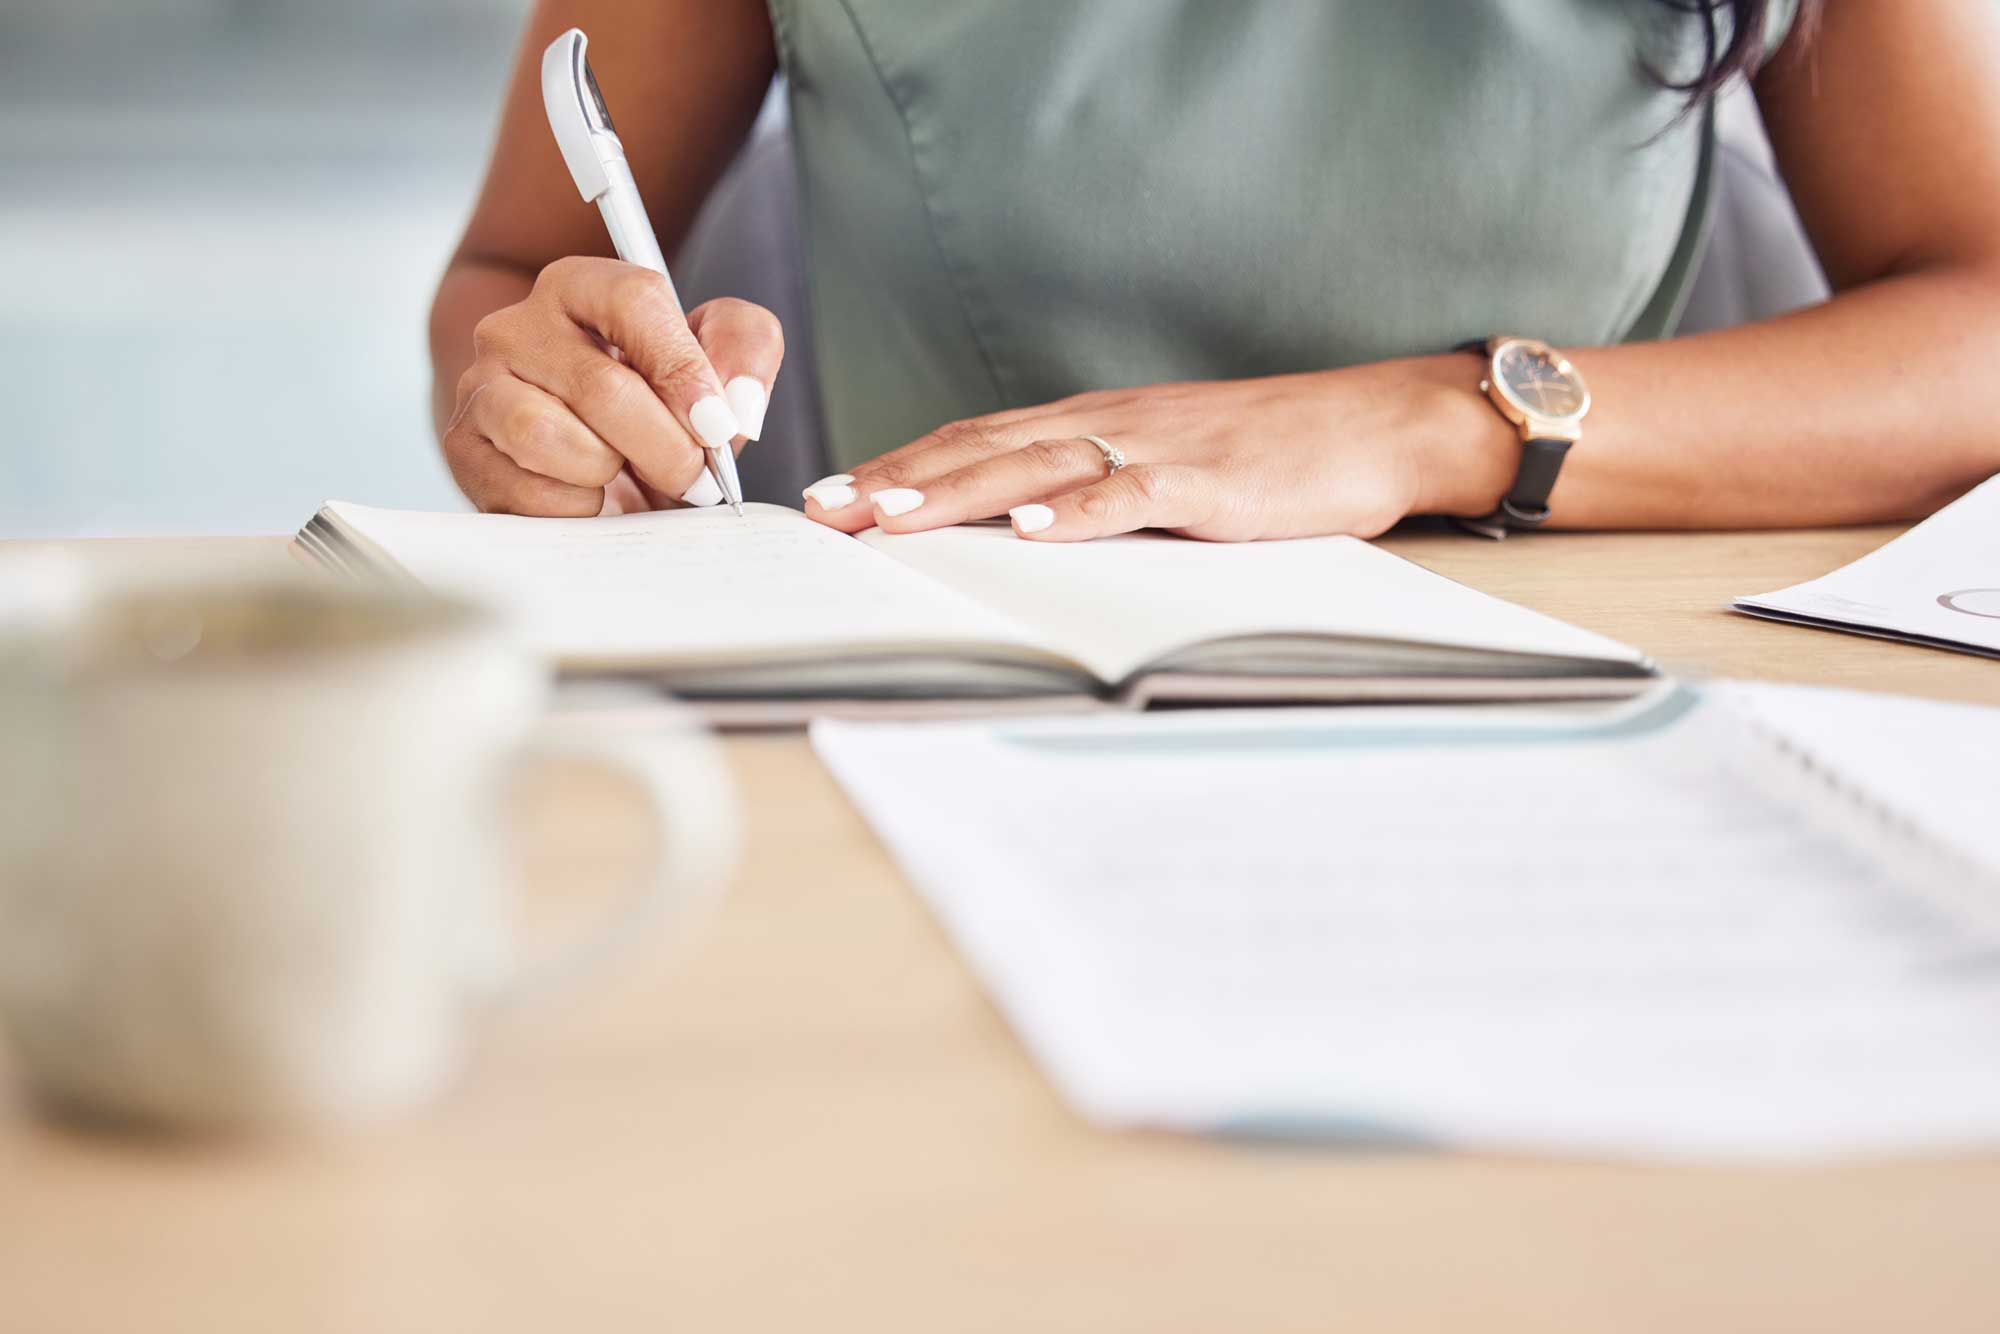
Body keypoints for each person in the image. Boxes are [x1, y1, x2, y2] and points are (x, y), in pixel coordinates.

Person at [431, 1, 2000, 545]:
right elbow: (512, 268)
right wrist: (533, 397)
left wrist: (1426, 423)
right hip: (955, 695)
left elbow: (1977, 315)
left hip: (1605, 674)